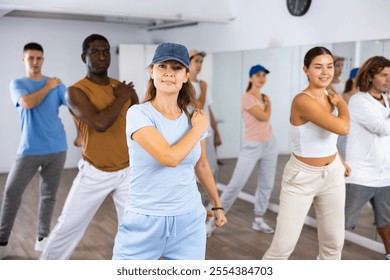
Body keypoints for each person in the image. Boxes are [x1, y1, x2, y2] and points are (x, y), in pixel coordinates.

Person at [112, 42, 227, 260]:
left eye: (176, 68)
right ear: (152, 72)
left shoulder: (193, 116)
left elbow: (201, 164)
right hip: (145, 222)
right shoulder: (138, 114)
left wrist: (217, 205)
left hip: (189, 221)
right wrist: (199, 128)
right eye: (162, 66)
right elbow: (169, 158)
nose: (168, 73)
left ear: (185, 75)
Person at [39, 34, 139, 260]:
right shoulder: (75, 91)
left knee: (134, 229)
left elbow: (138, 123)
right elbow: (100, 123)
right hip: (96, 171)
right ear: (84, 57)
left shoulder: (121, 88)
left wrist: (131, 97)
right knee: (68, 227)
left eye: (106, 51)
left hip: (127, 171)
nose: (102, 56)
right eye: (95, 52)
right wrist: (122, 97)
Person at [262, 46, 350, 260]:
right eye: (318, 67)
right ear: (306, 70)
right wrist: (343, 105)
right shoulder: (302, 101)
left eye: (329, 66)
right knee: (282, 248)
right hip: (302, 177)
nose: (325, 72)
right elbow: (343, 128)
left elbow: (326, 137)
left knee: (334, 244)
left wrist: (339, 160)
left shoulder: (331, 97)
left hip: (333, 175)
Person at [0, 43, 67, 258]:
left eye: (39, 58)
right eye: (31, 58)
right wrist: (48, 86)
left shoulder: (57, 85)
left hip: (57, 148)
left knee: (48, 195)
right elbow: (28, 103)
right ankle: (2, 242)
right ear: (24, 60)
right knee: (11, 193)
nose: (35, 62)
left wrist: (82, 133)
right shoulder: (18, 83)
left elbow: (75, 105)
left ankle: (42, 237)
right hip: (29, 149)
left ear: (43, 59)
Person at [206, 64, 278, 237]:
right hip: (251, 146)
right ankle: (212, 222)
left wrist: (267, 102)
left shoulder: (263, 97)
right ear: (251, 78)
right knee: (235, 185)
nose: (261, 78)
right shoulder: (246, 97)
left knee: (266, 184)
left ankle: (258, 219)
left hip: (270, 144)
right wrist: (268, 104)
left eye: (264, 75)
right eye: (258, 75)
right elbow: (264, 116)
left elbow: (266, 119)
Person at [344, 56, 390, 260]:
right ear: (370, 76)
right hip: (360, 176)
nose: (389, 79)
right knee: (342, 223)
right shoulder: (359, 100)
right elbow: (382, 128)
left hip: (385, 176)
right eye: (384, 75)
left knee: (386, 221)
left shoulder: (387, 100)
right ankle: (325, 261)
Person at [188, 49, 222, 216]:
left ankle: (206, 205)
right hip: (192, 134)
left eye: (201, 62)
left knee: (212, 169)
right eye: (197, 61)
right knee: (195, 170)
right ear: (188, 62)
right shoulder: (185, 84)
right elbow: (197, 106)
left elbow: (208, 110)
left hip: (206, 133)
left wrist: (217, 132)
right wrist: (203, 88)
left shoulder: (202, 84)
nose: (199, 65)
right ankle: (197, 205)